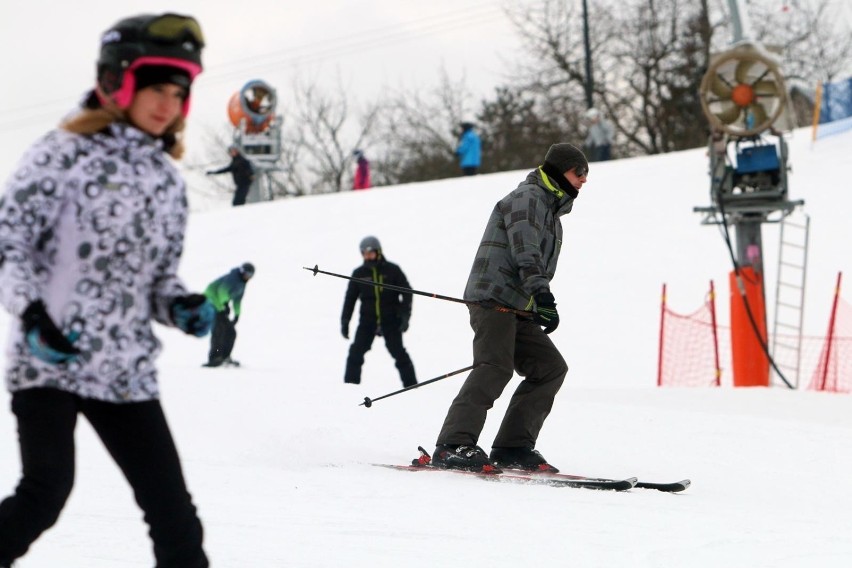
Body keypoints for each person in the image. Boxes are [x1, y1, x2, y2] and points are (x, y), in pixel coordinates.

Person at [0, 13, 213, 568]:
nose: (167, 104)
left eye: (177, 92)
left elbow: (158, 278)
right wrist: (30, 316)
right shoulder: (60, 154)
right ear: (119, 81)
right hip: (49, 358)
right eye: (154, 88)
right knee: (44, 494)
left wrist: (181, 306)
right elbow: (9, 246)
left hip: (123, 369)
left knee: (174, 515)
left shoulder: (165, 178)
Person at [432, 143, 589, 473]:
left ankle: (513, 446)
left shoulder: (551, 213)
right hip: (493, 298)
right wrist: (543, 296)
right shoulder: (527, 198)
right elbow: (525, 252)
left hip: (517, 305)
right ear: (561, 171)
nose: (584, 181)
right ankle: (452, 445)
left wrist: (534, 305)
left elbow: (532, 263)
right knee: (495, 366)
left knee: (549, 367)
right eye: (579, 173)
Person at [341, 237, 417, 387]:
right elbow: (350, 299)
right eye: (364, 253)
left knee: (399, 353)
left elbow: (407, 292)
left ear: (378, 251)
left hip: (390, 320)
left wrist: (405, 316)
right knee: (356, 352)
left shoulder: (392, 270)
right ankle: (349, 386)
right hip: (367, 321)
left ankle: (412, 386)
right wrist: (345, 321)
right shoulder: (359, 273)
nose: (367, 256)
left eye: (370, 252)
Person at [203, 262, 255, 367]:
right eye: (246, 274)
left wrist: (237, 314)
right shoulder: (233, 279)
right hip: (211, 302)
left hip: (220, 305)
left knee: (231, 332)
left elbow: (237, 300)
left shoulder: (242, 284)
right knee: (219, 330)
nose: (247, 277)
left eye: (250, 276)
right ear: (241, 272)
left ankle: (225, 357)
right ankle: (214, 358)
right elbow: (221, 292)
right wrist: (223, 305)